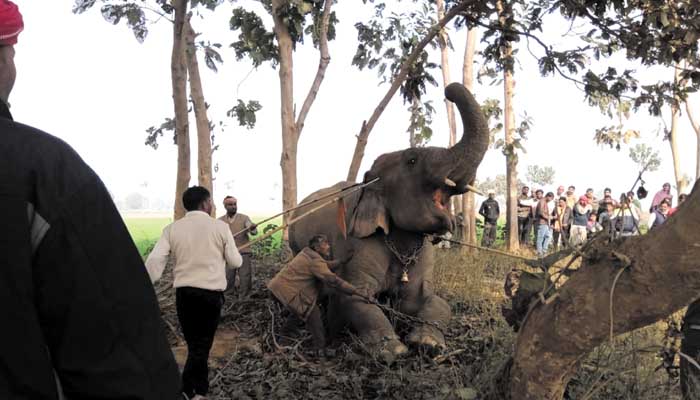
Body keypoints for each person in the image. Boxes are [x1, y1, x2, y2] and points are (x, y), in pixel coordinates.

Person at [0, 3, 180, 398]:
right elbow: (118, 360)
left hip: (185, 292)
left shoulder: (176, 228)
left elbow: (160, 257)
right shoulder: (42, 172)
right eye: (12, 51)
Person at [146, 186, 243, 400]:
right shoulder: (220, 228)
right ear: (206, 203)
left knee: (195, 345)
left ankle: (199, 391)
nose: (213, 205)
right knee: (201, 347)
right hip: (210, 297)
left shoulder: (172, 229)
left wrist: (144, 285)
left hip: (185, 295)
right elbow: (236, 261)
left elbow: (155, 260)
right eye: (211, 202)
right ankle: (186, 390)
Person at [268, 235, 367, 354]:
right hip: (288, 292)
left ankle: (284, 338)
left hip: (277, 288)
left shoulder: (307, 253)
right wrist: (356, 291)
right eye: (325, 244)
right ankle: (319, 349)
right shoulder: (315, 261)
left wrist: (341, 261)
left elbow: (325, 265)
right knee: (314, 317)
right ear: (316, 247)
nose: (328, 247)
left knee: (297, 311)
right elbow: (333, 280)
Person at [219, 195, 258, 298]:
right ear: (225, 206)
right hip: (228, 253)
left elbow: (252, 231)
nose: (233, 207)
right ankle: (228, 296)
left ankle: (244, 297)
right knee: (228, 276)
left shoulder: (244, 218)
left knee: (245, 276)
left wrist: (252, 228)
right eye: (230, 205)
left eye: (235, 204)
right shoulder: (220, 221)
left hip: (243, 251)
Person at [534, 192, 554, 257]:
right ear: (548, 196)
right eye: (551, 198)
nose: (550, 200)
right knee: (540, 237)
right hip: (541, 222)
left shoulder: (545, 202)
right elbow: (540, 212)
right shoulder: (542, 201)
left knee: (548, 236)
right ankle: (539, 252)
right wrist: (548, 217)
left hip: (545, 223)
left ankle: (544, 250)